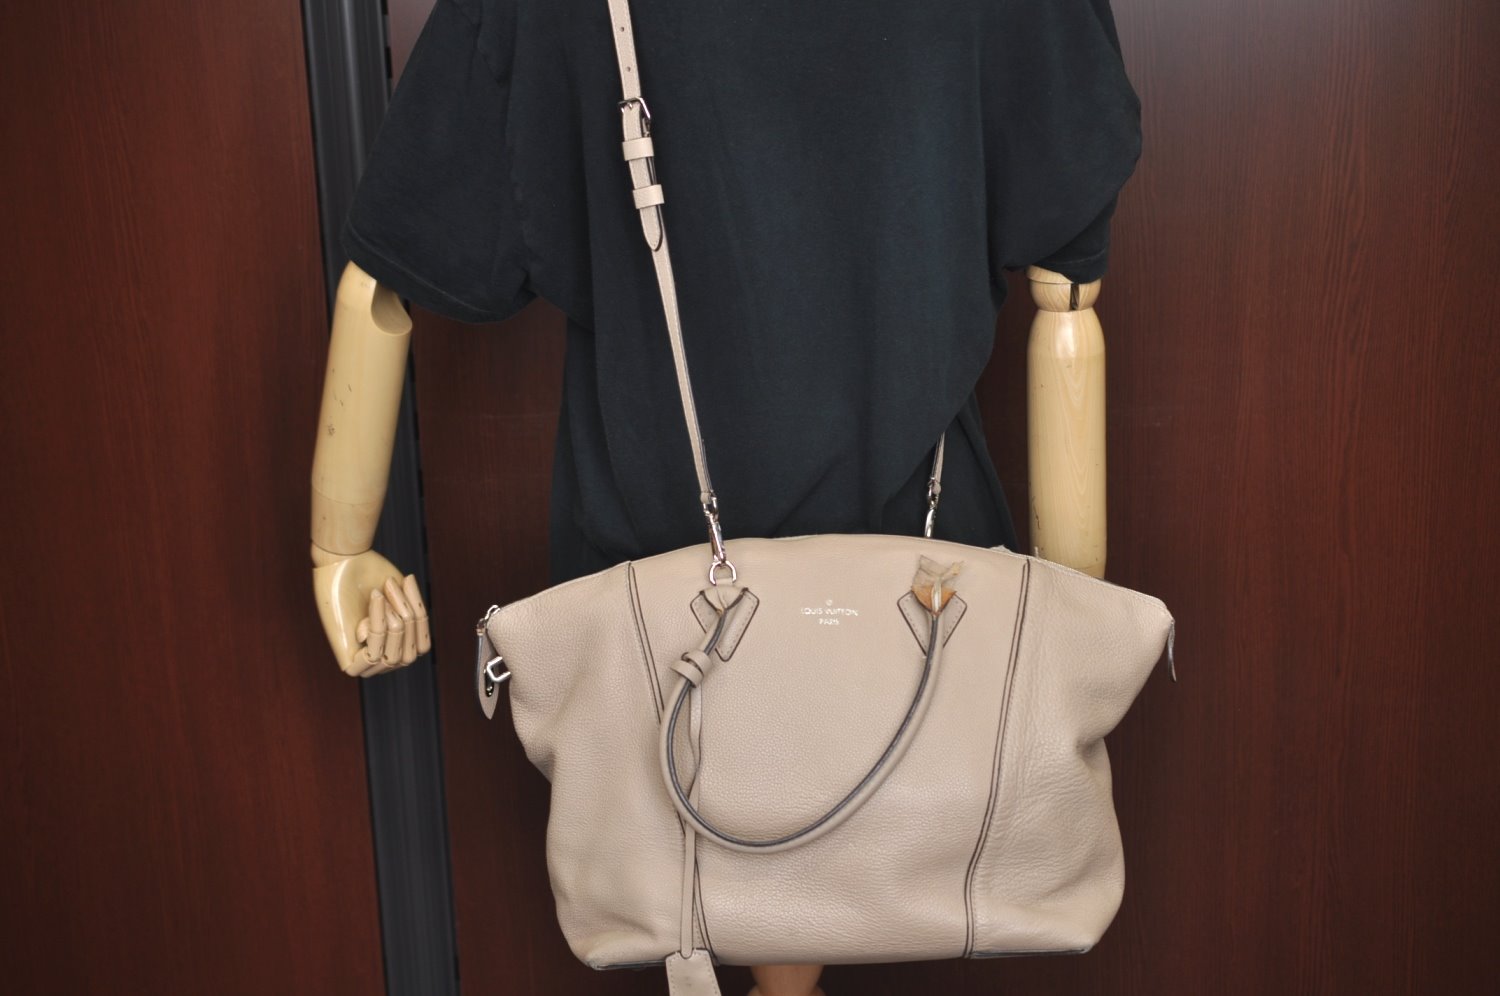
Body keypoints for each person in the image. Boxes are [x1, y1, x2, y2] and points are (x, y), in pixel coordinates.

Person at [310, 2, 1141, 993]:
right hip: (909, 541)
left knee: (722, 816)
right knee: (749, 832)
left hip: (659, 515)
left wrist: (339, 544)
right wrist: (1072, 610)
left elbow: (383, 279)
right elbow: (1068, 297)